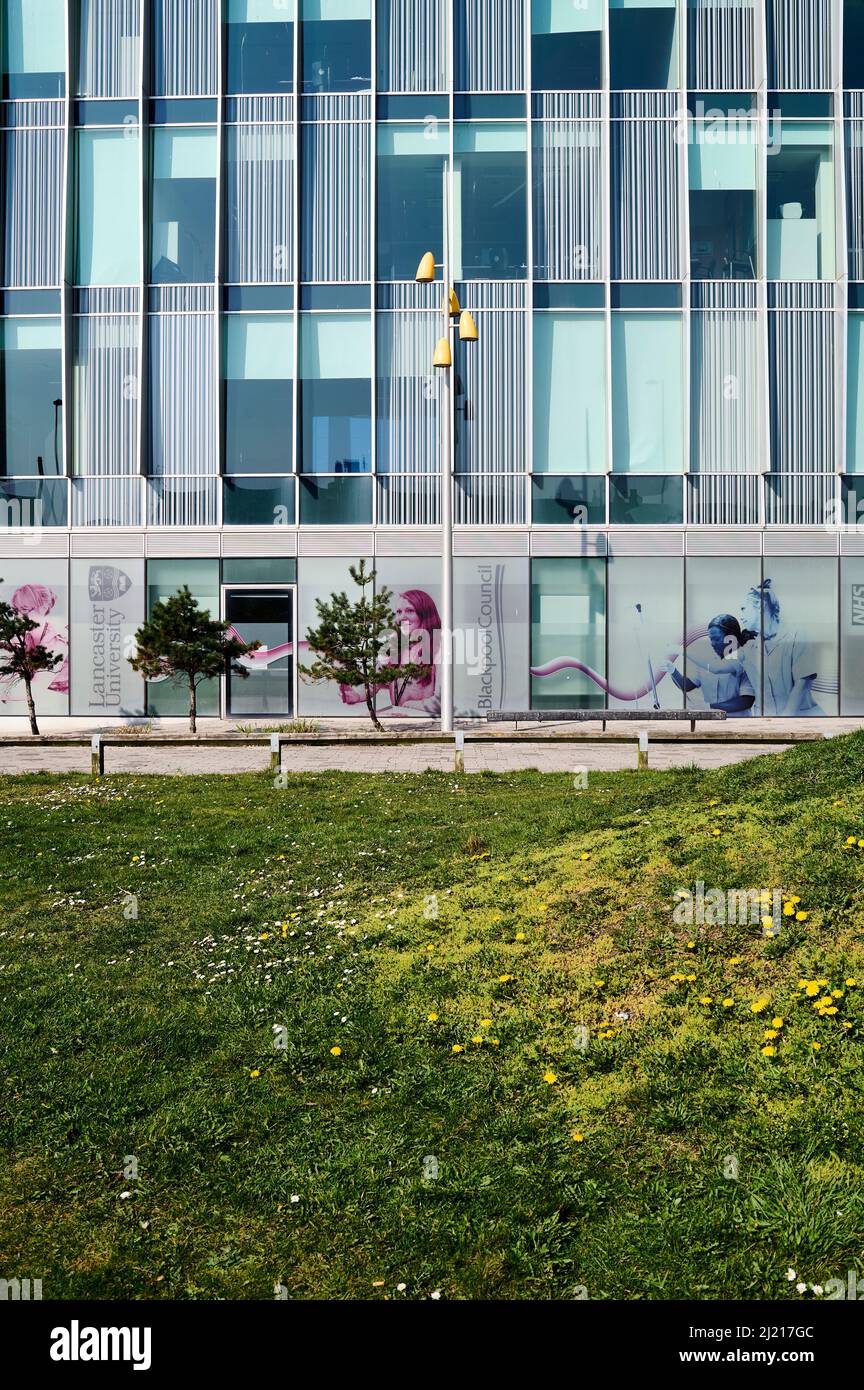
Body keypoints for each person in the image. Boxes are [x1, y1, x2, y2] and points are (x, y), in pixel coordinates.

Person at [662, 614, 757, 715]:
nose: (712, 643)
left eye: (716, 639)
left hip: (737, 723)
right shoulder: (706, 661)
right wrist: (673, 671)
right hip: (712, 724)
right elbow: (687, 686)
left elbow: (746, 701)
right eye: (711, 639)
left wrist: (709, 708)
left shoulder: (743, 659)